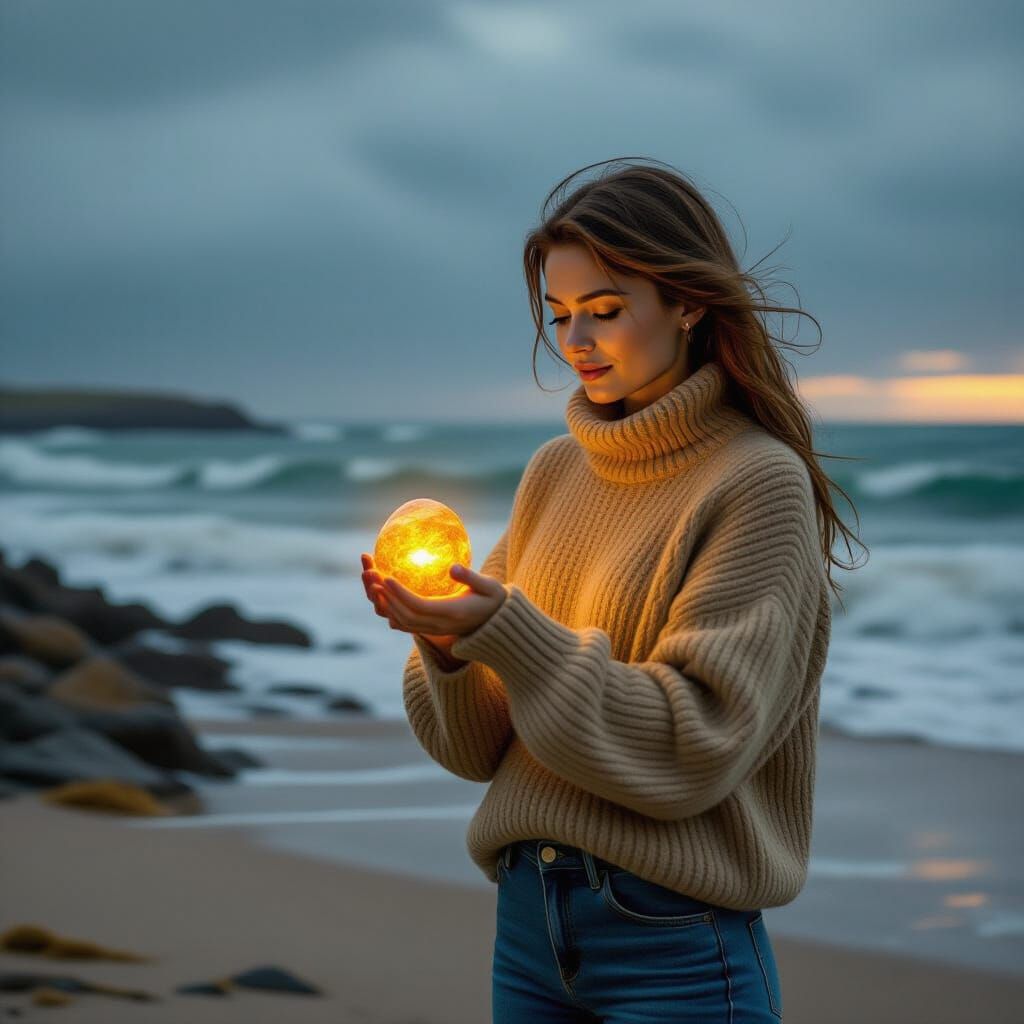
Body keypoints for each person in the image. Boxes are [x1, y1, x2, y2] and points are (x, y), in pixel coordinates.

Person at [361, 157, 863, 1023]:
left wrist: (510, 634)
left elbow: (690, 746)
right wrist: (447, 647)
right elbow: (478, 750)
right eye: (561, 316)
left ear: (687, 302)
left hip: (673, 939)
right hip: (527, 924)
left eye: (604, 310)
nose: (577, 342)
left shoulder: (756, 483)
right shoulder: (556, 472)